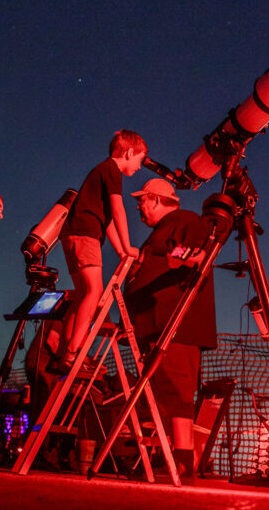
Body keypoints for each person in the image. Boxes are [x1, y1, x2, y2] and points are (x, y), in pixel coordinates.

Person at [124, 178, 217, 481]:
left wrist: (182, 257)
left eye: (142, 200)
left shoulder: (187, 221)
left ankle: (183, 462)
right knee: (161, 393)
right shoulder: (158, 233)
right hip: (154, 324)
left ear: (154, 199)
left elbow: (199, 256)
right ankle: (164, 458)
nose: (138, 206)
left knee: (178, 391)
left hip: (175, 324)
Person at [53, 130, 145, 374]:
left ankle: (65, 351)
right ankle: (74, 352)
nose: (139, 166)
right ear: (129, 152)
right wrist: (127, 247)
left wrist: (120, 251)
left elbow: (108, 222)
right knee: (94, 292)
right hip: (85, 235)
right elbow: (118, 209)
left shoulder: (102, 172)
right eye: (140, 159)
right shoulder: (111, 170)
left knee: (83, 292)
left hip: (73, 234)